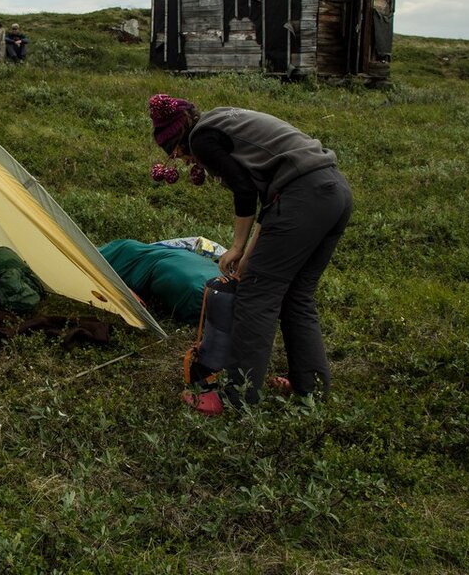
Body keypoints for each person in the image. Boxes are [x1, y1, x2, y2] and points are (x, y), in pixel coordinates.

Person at [148, 94, 353, 416]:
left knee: (256, 297)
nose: (184, 161)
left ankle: (236, 397)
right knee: (297, 296)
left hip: (301, 198)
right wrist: (248, 252)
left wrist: (238, 247)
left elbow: (246, 192)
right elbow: (271, 202)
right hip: (333, 191)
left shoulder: (202, 138)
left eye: (175, 153)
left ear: (179, 140)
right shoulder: (222, 120)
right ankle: (308, 387)